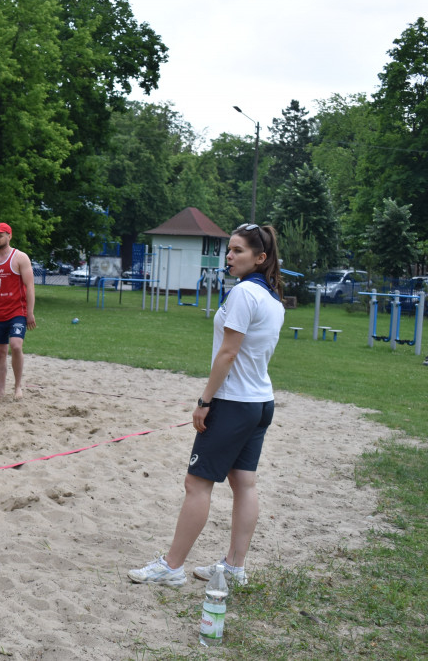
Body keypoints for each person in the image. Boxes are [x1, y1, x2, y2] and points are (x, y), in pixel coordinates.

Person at [128, 223, 285, 587]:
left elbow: (228, 353)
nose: (229, 256)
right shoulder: (272, 296)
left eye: (238, 251)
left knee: (196, 484)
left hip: (233, 402)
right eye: (228, 250)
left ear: (260, 258)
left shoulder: (246, 293)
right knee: (244, 483)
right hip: (261, 401)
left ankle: (172, 566)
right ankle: (233, 567)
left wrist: (205, 401)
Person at [0, 222, 36, 399]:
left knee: (16, 345)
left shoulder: (20, 258)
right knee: (1, 352)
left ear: (9, 236)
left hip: (17, 311)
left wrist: (30, 312)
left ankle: (18, 387)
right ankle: (1, 392)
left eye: (0, 235)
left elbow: (30, 285)